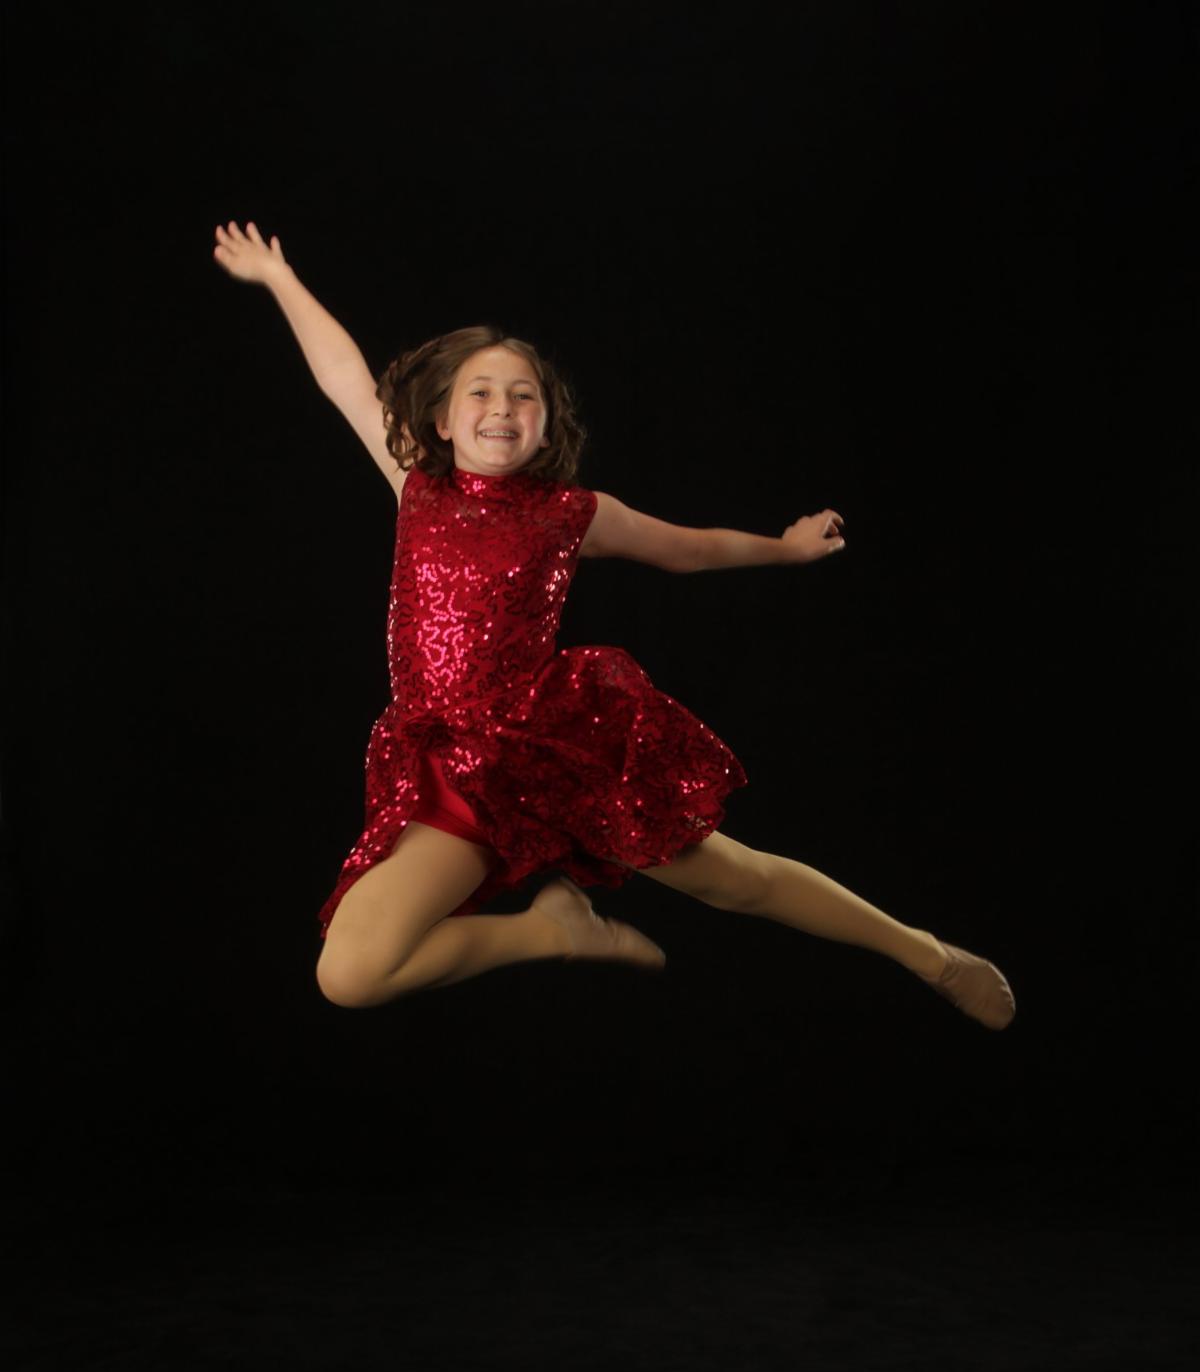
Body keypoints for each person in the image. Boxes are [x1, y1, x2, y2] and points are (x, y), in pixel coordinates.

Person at [212, 220, 1015, 1030]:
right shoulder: (417, 485)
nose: (502, 407)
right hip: (449, 770)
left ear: (546, 422)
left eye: (523, 395)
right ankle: (552, 933)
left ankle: (927, 953)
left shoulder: (573, 513)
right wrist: (279, 279)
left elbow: (689, 550)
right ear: (443, 420)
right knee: (349, 974)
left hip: (547, 753)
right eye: (481, 392)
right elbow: (344, 377)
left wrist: (785, 547)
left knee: (738, 882)